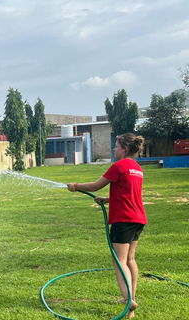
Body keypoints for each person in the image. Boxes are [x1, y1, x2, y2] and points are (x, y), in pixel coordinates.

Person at [67, 133, 146, 319]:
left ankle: (129, 301)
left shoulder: (118, 165)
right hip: (138, 218)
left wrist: (76, 186)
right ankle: (131, 298)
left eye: (116, 145)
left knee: (119, 261)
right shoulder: (137, 168)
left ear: (125, 148)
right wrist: (110, 199)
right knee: (130, 260)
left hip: (123, 219)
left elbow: (95, 186)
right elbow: (129, 192)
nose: (114, 148)